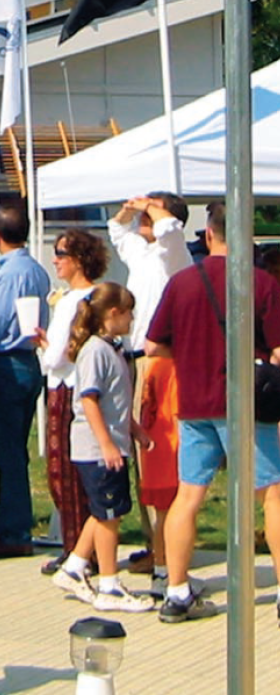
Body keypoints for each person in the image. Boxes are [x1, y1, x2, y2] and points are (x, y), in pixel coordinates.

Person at [146, 202, 280, 623]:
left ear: (208, 235)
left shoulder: (182, 283)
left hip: (194, 403)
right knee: (272, 495)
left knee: (189, 495)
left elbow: (153, 345)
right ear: (248, 239)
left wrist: (189, 354)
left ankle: (177, 589)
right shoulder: (262, 283)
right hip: (247, 405)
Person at [52, 283, 154, 613]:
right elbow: (90, 400)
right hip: (97, 448)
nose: (132, 319)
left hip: (112, 442)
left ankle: (74, 566)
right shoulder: (96, 351)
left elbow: (117, 402)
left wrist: (135, 430)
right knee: (110, 516)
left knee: (105, 510)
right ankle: (109, 583)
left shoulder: (113, 349)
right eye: (128, 314)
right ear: (113, 314)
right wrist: (107, 444)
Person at [108, 192, 192, 575]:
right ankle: (153, 542)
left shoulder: (174, 256)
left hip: (164, 361)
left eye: (150, 214)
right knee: (142, 459)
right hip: (137, 359)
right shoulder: (144, 253)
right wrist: (128, 210)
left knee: (161, 453)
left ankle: (166, 550)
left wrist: (155, 208)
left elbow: (171, 230)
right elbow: (118, 232)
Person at [0, 206, 50, 558]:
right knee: (14, 450)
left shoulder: (9, 275)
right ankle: (11, 521)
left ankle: (15, 529)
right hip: (28, 360)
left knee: (7, 454)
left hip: (6, 362)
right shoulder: (35, 268)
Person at [35, 229, 108, 575]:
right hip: (74, 383)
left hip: (67, 386)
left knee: (64, 471)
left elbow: (61, 355)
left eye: (61, 253)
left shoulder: (76, 300)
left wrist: (45, 350)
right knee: (69, 471)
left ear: (78, 259)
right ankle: (80, 548)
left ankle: (77, 549)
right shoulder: (88, 298)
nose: (55, 260)